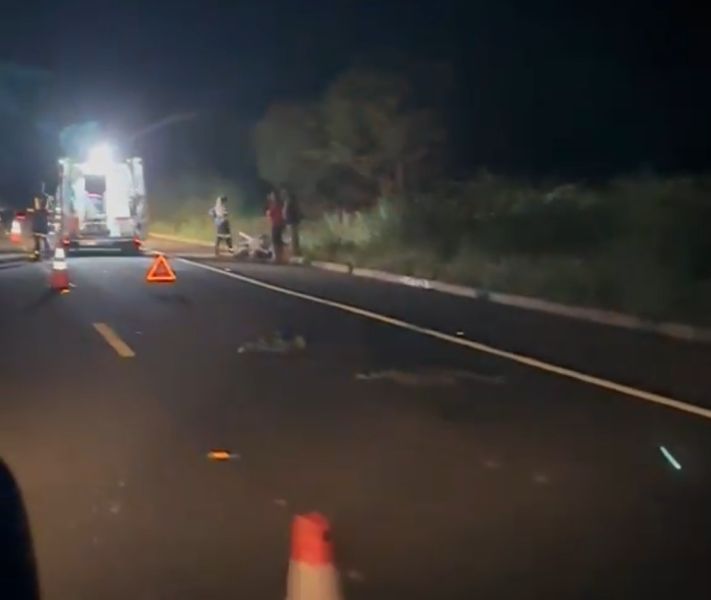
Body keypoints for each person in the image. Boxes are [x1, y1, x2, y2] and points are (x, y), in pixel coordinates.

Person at [280, 184, 302, 256]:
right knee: (293, 237)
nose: (282, 193)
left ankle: (294, 253)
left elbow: (285, 211)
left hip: (291, 220)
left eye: (283, 192)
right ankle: (295, 252)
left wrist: (284, 218)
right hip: (292, 220)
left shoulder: (289, 200)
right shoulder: (291, 199)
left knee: (292, 237)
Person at [266, 190, 285, 262]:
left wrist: (268, 213)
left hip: (276, 224)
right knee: (279, 240)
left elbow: (271, 213)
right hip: (280, 224)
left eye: (272, 196)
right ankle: (280, 257)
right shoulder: (280, 204)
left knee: (275, 241)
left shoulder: (275, 204)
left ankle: (277, 257)